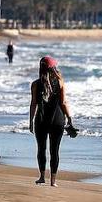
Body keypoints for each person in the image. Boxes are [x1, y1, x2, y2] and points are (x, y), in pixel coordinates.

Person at [28, 56, 74, 186]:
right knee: (55, 150)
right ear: (54, 68)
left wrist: (31, 121)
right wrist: (69, 118)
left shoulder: (35, 84)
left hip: (41, 120)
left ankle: (42, 177)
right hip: (57, 120)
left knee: (41, 149)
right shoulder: (60, 82)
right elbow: (64, 102)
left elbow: (33, 104)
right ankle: (53, 181)